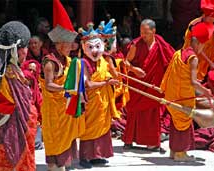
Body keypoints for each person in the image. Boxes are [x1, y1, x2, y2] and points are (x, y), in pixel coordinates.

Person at [0, 21, 37, 171]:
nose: (27, 51)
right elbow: (24, 108)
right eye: (25, 47)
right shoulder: (10, 75)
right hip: (10, 131)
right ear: (16, 51)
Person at [40, 0, 85, 170]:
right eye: (68, 44)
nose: (71, 47)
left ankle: (61, 166)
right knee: (55, 138)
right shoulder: (50, 62)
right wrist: (67, 89)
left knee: (66, 139)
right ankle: (54, 166)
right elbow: (50, 85)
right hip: (54, 110)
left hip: (65, 108)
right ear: (59, 44)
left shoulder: (68, 60)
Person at [160, 22, 214, 162]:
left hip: (174, 94)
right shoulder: (193, 58)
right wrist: (206, 91)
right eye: (205, 45)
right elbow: (193, 82)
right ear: (199, 44)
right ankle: (180, 154)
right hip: (183, 97)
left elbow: (171, 75)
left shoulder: (179, 53)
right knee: (183, 124)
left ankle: (173, 151)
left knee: (175, 122)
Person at [122, 19, 174, 151]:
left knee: (152, 113)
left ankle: (152, 142)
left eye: (146, 32)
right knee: (134, 111)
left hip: (154, 84)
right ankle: (129, 140)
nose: (143, 35)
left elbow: (170, 61)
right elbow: (125, 63)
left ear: (153, 31)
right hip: (138, 84)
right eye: (141, 32)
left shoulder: (161, 45)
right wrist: (134, 70)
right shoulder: (136, 44)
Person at [78, 20, 120, 168]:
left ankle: (96, 155)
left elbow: (108, 76)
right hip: (90, 101)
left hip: (102, 101)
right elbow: (88, 84)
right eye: (90, 47)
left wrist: (109, 80)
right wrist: (106, 83)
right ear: (84, 48)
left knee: (103, 127)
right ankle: (84, 157)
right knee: (89, 129)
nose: (95, 51)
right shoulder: (83, 63)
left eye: (98, 46)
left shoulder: (102, 61)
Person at [182, 0, 214, 81]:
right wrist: (210, 62)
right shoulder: (197, 25)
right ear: (210, 14)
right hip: (191, 61)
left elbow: (213, 43)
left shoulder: (210, 25)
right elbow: (197, 49)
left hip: (202, 64)